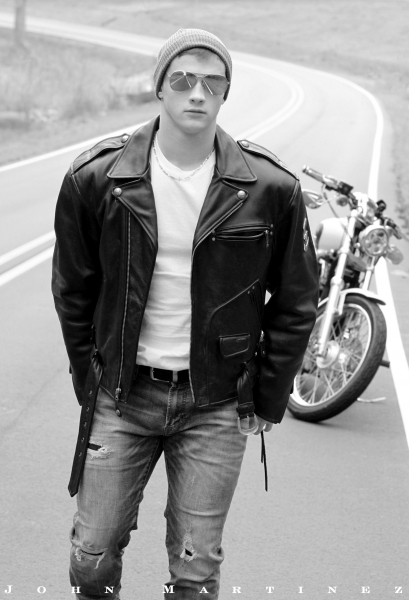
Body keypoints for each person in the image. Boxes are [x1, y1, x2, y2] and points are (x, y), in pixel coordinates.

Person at [52, 28, 318, 600]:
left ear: (226, 93)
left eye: (212, 83)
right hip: (122, 396)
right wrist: (90, 379)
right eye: (183, 79)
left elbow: (297, 300)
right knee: (92, 555)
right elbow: (73, 289)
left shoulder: (270, 188)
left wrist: (268, 396)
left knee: (196, 572)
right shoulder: (96, 179)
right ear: (159, 87)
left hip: (216, 405)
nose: (198, 93)